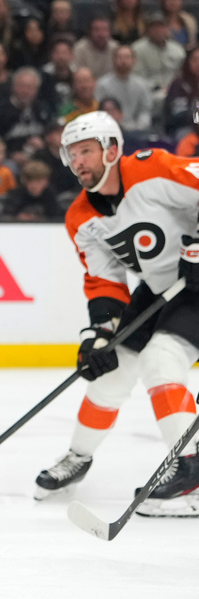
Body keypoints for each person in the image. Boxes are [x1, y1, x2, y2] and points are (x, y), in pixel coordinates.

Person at [34, 110, 199, 516]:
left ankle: (192, 471)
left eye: (86, 151)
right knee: (110, 369)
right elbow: (104, 281)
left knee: (162, 362)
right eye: (71, 154)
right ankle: (79, 457)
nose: (78, 162)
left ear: (111, 149)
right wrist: (100, 334)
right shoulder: (81, 217)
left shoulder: (154, 169)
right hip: (163, 288)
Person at [95, 45, 153, 131]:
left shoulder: (141, 84)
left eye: (127, 57)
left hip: (138, 131)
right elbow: (100, 112)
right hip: (110, 129)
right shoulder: (103, 84)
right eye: (119, 57)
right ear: (113, 60)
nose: (123, 61)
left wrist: (139, 126)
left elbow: (145, 110)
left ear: (133, 61)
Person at [74, 16, 120, 81]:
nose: (101, 34)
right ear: (89, 32)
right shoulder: (80, 49)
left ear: (110, 32)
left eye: (105, 29)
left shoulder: (115, 48)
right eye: (97, 30)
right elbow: (77, 74)